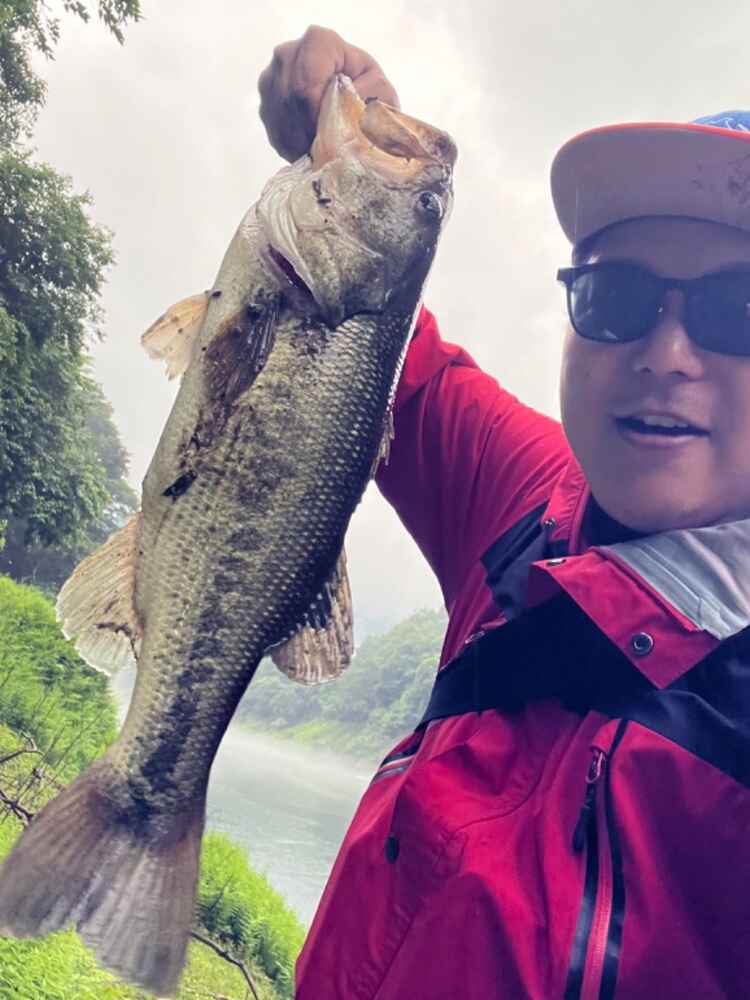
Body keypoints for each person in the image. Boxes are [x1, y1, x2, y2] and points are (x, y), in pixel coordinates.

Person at [259, 26, 750, 1000]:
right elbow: (365, 341)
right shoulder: (530, 494)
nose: (666, 353)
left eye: (736, 310)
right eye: (617, 295)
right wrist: (355, 154)